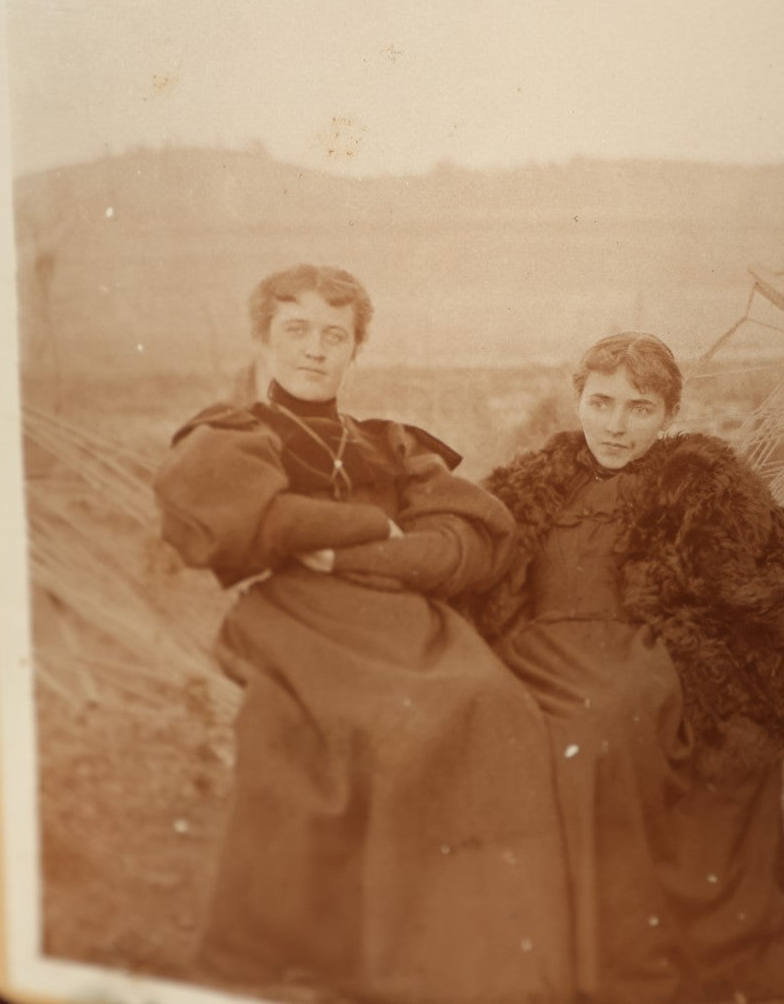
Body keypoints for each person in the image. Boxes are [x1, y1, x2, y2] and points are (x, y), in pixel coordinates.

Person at [153, 265, 574, 1004]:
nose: (314, 351)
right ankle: (377, 960)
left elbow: (472, 543)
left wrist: (352, 549)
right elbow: (236, 525)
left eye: (334, 335)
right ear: (262, 339)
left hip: (407, 618)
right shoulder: (235, 432)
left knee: (491, 703)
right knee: (390, 727)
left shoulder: (388, 443)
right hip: (297, 620)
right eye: (296, 331)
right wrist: (368, 521)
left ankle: (478, 962)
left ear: (355, 350)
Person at [471, 332, 784, 1003]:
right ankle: (550, 943)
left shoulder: (702, 480)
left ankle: (618, 953)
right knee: (516, 729)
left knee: (606, 728)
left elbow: (780, 560)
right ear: (577, 399)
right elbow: (470, 556)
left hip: (645, 648)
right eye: (601, 402)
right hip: (533, 647)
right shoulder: (531, 483)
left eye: (638, 408)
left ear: (667, 414)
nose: (615, 425)